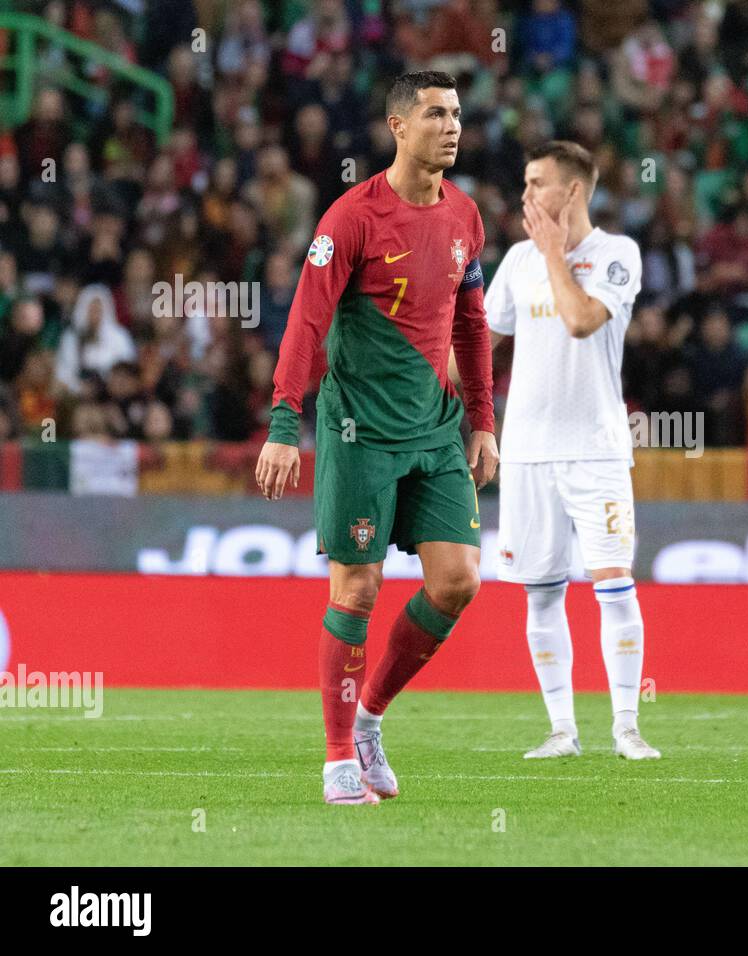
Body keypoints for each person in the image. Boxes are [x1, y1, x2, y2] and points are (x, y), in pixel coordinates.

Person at [255, 71, 498, 805]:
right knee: (357, 587)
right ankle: (336, 760)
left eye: (456, 113)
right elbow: (304, 320)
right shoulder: (350, 220)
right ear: (398, 126)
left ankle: (368, 720)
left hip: (435, 428)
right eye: (435, 113)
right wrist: (281, 424)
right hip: (359, 430)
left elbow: (472, 323)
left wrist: (484, 419)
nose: (451, 125)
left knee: (458, 582)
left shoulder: (466, 217)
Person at [485, 140, 660, 761]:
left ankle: (626, 727)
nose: (526, 196)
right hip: (528, 451)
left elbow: (583, 319)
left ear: (574, 192)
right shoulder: (514, 261)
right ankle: (562, 729)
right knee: (541, 591)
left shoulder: (617, 254)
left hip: (596, 451)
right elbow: (480, 343)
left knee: (613, 583)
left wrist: (555, 253)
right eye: (525, 184)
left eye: (537, 184)